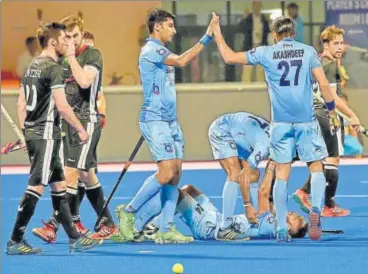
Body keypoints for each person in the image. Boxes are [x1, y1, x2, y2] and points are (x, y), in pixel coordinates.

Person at [211, 14, 360, 241]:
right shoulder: (308, 51)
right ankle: (316, 212)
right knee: (316, 167)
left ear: (274, 34)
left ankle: (281, 226)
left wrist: (218, 33)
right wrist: (331, 112)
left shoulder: (265, 52)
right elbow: (323, 85)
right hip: (306, 121)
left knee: (281, 174)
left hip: (280, 124)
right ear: (294, 33)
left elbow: (229, 57)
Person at [114, 8, 213, 244]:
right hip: (155, 120)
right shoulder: (151, 50)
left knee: (175, 175)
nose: (174, 30)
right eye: (170, 25)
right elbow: (182, 61)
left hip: (171, 121)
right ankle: (128, 212)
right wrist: (207, 37)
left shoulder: (162, 51)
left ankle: (166, 228)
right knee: (166, 172)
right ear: (157, 26)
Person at [6, 22, 103, 255]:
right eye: (63, 39)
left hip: (36, 133)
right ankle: (15, 240)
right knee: (36, 186)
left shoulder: (32, 66)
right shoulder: (53, 68)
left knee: (59, 185)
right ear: (52, 42)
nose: (66, 42)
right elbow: (62, 106)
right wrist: (81, 129)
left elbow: (21, 103)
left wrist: (25, 133)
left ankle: (74, 238)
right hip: (46, 134)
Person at [32, 15, 117, 242]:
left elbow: (85, 82)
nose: (71, 40)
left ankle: (53, 226)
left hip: (86, 122)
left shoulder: (92, 55)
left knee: (70, 173)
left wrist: (70, 56)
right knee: (85, 175)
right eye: (66, 37)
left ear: (82, 34)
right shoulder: (60, 62)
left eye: (75, 36)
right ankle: (107, 222)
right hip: (66, 125)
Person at [112, 161, 308, 243]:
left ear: (288, 230)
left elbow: (264, 193)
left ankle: (143, 227)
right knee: (190, 189)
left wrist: (273, 165)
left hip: (210, 228)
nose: (295, 215)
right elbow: (271, 197)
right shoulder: (274, 222)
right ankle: (149, 225)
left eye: (296, 220)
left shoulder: (273, 226)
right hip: (217, 218)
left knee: (176, 193)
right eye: (298, 215)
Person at [293, 26, 361, 217]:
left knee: (323, 160)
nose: (339, 47)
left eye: (341, 42)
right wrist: (352, 115)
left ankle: (305, 192)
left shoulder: (319, 63)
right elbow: (331, 96)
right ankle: (327, 203)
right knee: (333, 159)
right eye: (335, 43)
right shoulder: (330, 66)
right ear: (326, 44)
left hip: (314, 115)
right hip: (326, 115)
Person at [207, 112, 270, 240]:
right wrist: (247, 205)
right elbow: (243, 175)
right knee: (235, 174)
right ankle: (225, 228)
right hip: (222, 130)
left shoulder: (277, 139)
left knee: (254, 173)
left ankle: (254, 221)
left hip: (241, 134)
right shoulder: (264, 147)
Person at [237, 1, 270, 83]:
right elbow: (240, 29)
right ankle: (245, 89)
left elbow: (267, 31)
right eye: (256, 5)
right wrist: (243, 19)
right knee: (247, 70)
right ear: (253, 6)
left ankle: (259, 88)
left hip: (261, 47)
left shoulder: (263, 18)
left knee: (260, 71)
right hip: (249, 47)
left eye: (259, 5)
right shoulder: (248, 18)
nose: (257, 7)